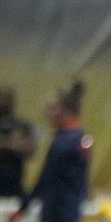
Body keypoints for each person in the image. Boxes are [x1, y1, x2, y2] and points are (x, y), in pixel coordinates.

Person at [10, 83, 89, 222]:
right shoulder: (73, 137)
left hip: (59, 211)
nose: (46, 113)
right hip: (65, 209)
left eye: (51, 108)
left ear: (66, 111)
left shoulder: (66, 141)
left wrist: (24, 206)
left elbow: (47, 177)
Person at [0, 87, 35, 198]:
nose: (3, 101)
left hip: (13, 187)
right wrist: (14, 143)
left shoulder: (21, 125)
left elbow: (30, 149)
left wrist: (6, 144)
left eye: (7, 98)